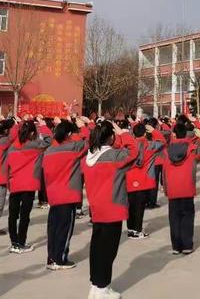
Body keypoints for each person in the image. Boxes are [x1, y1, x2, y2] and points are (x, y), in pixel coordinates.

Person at [83, 120, 137, 299]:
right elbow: (134, 151)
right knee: (108, 251)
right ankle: (102, 288)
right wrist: (123, 134)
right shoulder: (114, 156)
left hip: (97, 208)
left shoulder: (88, 157)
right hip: (112, 208)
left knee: (97, 248)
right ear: (111, 137)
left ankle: (95, 285)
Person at [42, 119, 88, 270]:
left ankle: (51, 257)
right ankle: (60, 259)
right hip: (68, 194)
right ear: (69, 134)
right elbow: (89, 141)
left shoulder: (49, 151)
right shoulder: (73, 147)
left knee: (53, 228)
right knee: (65, 228)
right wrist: (84, 127)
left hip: (54, 194)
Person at [6, 119, 52, 253]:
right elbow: (50, 139)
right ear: (32, 133)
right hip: (29, 184)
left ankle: (14, 243)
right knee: (24, 215)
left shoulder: (12, 147)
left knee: (13, 214)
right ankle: (21, 242)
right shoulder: (36, 145)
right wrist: (43, 126)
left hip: (15, 183)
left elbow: (7, 166)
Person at [163, 122, 200, 254]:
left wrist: (166, 189)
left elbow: (164, 171)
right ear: (186, 134)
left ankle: (176, 246)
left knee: (174, 218)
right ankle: (187, 245)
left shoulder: (167, 151)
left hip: (173, 190)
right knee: (187, 217)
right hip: (187, 188)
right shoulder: (191, 148)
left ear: (174, 134)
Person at [125, 123, 165, 238]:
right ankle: (137, 230)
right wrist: (154, 131)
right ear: (144, 133)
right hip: (144, 180)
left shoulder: (129, 145)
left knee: (131, 206)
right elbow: (162, 142)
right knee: (139, 207)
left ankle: (131, 229)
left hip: (130, 179)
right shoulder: (150, 145)